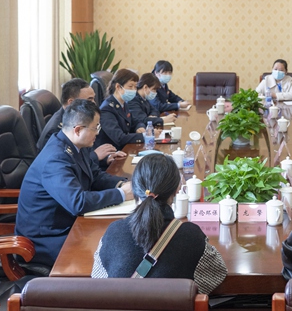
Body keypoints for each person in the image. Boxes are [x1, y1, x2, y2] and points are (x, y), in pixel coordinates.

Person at [16, 99, 133, 267]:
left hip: (69, 223)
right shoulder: (55, 159)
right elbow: (77, 202)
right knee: (112, 255)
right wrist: (121, 194)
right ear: (78, 130)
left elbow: (95, 176)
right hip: (47, 239)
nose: (98, 133)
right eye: (95, 128)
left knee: (119, 238)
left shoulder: (76, 145)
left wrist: (123, 184)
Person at [91, 153, 227, 294]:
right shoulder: (192, 235)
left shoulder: (113, 232)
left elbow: (99, 283)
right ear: (177, 189)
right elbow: (217, 273)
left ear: (135, 188)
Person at [37, 78, 125, 166]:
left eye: (94, 99)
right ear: (71, 102)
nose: (94, 103)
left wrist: (106, 157)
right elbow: (69, 163)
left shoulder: (79, 118)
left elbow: (88, 149)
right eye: (89, 100)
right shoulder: (55, 131)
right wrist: (95, 156)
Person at [96, 69, 145, 149]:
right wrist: (144, 136)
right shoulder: (107, 109)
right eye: (130, 86)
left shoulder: (123, 104)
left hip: (125, 148)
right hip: (112, 152)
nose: (134, 90)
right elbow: (119, 138)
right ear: (118, 87)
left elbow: (136, 122)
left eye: (135, 87)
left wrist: (140, 127)